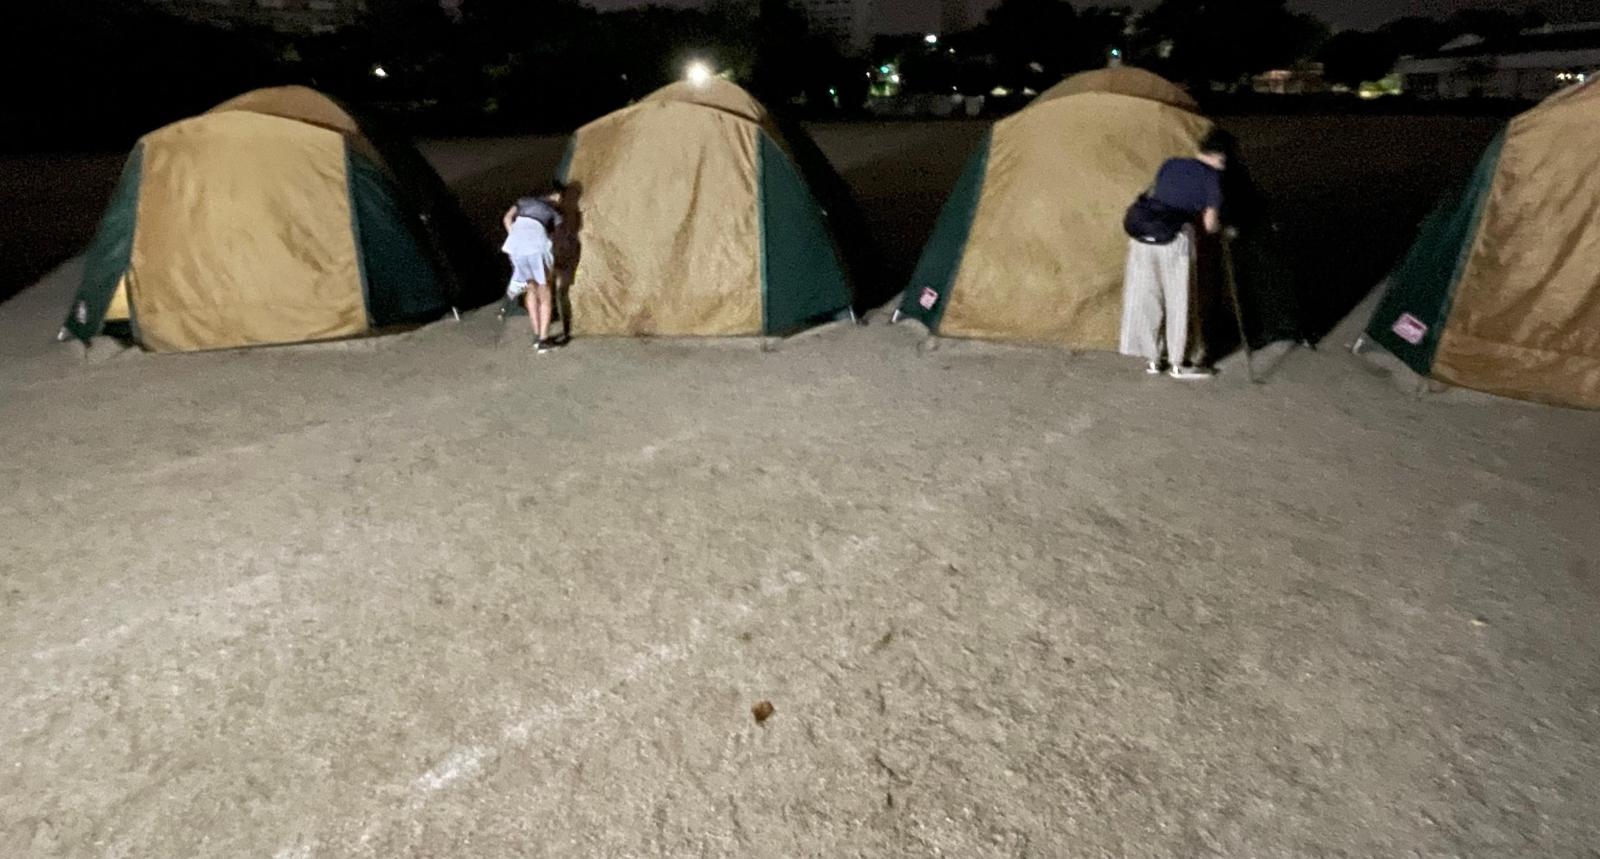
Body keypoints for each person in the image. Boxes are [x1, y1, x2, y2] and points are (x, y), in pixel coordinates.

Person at [1119, 130, 1231, 379]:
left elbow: (1157, 193)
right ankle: (1180, 362)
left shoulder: (1171, 163)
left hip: (1143, 236)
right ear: (1221, 157)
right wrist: (1220, 226)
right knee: (1178, 299)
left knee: (1147, 296)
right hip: (1174, 239)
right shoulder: (1212, 178)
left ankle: (1153, 359)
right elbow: (1210, 224)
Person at [502, 186, 565, 352]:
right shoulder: (554, 213)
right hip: (535, 247)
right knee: (545, 293)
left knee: (531, 288)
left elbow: (507, 219)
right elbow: (557, 238)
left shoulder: (523, 201)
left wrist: (515, 236)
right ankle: (544, 340)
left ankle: (537, 335)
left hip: (515, 248)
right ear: (555, 196)